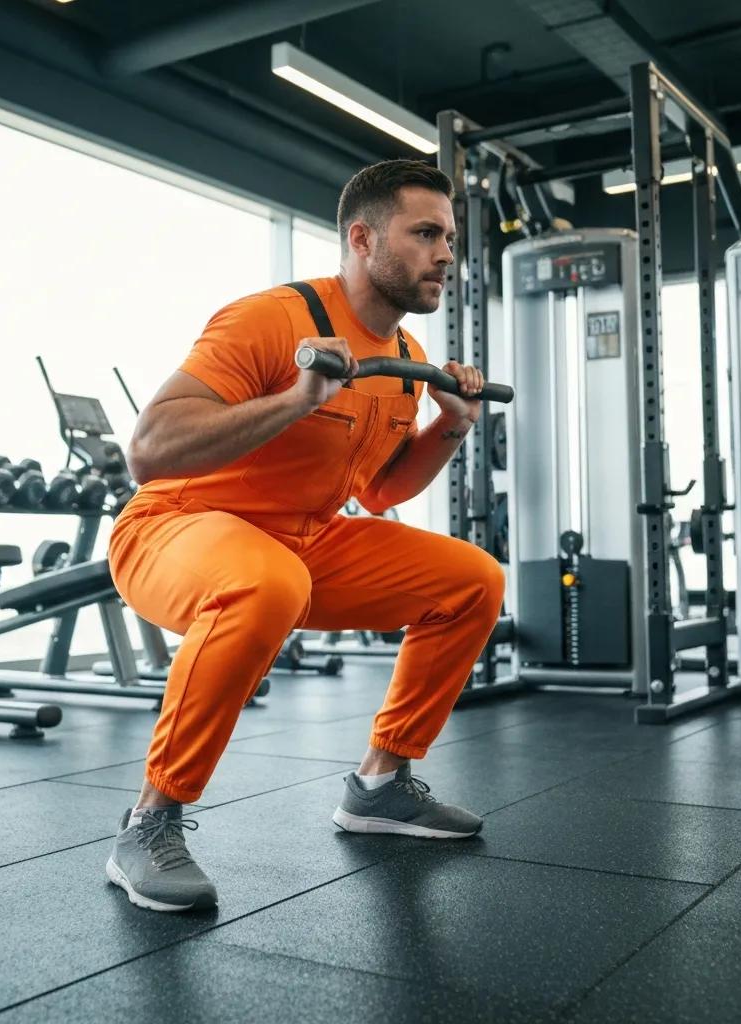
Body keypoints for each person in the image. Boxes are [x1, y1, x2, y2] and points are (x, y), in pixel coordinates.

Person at [106, 159, 506, 913]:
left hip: (304, 539)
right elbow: (149, 450)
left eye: (450, 238)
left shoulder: (408, 361)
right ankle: (148, 822)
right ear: (362, 238)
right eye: (426, 234)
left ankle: (380, 786)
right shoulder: (270, 320)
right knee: (267, 582)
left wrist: (450, 425)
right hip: (173, 526)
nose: (447, 254)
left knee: (472, 579)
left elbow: (381, 491)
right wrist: (297, 400)